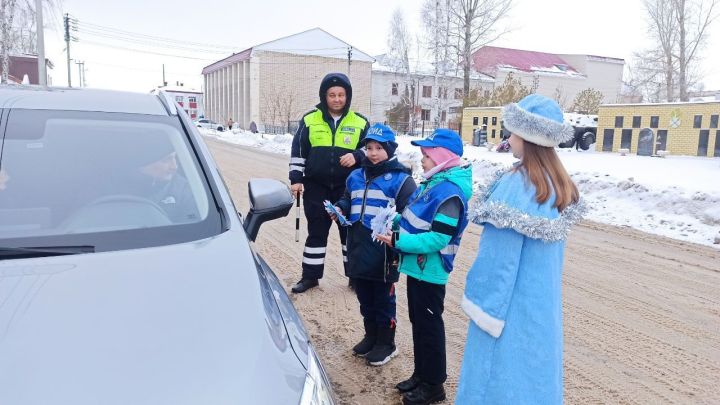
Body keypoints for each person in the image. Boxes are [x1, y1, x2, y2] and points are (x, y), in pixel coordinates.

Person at [456, 94, 585, 404]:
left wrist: (482, 307)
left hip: (508, 313)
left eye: (512, 131)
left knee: (499, 382)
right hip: (540, 309)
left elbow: (498, 264)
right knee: (534, 380)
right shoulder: (555, 184)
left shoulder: (516, 186)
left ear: (527, 137)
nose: (508, 137)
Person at [375, 129, 472, 405]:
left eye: (427, 156)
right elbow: (414, 217)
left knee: (430, 327)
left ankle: (434, 385)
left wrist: (398, 240)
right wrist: (394, 222)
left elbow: (439, 237)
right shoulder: (433, 184)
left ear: (442, 158)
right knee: (419, 323)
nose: (423, 161)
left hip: (431, 270)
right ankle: (421, 375)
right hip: (417, 267)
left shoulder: (449, 193)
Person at [331, 123, 416, 366]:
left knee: (383, 298)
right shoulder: (355, 176)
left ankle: (386, 343)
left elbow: (409, 213)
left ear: (390, 150)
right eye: (369, 148)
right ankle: (371, 335)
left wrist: (397, 231)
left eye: (379, 148)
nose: (373, 153)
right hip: (358, 246)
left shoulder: (401, 180)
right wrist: (340, 208)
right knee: (364, 295)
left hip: (384, 251)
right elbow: (348, 199)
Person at [288, 72, 369, 293]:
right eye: (332, 94)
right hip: (316, 187)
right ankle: (310, 277)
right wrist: (296, 179)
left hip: (348, 189)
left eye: (341, 94)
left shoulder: (360, 122)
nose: (336, 99)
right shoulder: (309, 120)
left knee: (351, 234)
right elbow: (299, 152)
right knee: (316, 232)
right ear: (324, 96)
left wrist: (357, 156)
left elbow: (372, 149)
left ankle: (355, 276)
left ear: (347, 96)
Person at [128, 136, 200, 224]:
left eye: (174, 158)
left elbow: (192, 224)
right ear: (144, 164)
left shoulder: (184, 189)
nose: (174, 167)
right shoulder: (114, 185)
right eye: (166, 160)